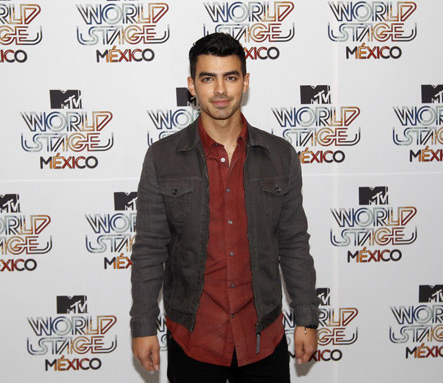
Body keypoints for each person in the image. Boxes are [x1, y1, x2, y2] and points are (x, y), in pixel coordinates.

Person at [130, 32, 319, 383]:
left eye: (230, 77)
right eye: (208, 78)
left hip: (263, 338)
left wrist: (306, 317)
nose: (220, 90)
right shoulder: (162, 158)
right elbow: (149, 249)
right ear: (192, 85)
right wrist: (143, 325)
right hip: (194, 340)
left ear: (245, 83)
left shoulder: (280, 156)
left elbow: (293, 243)